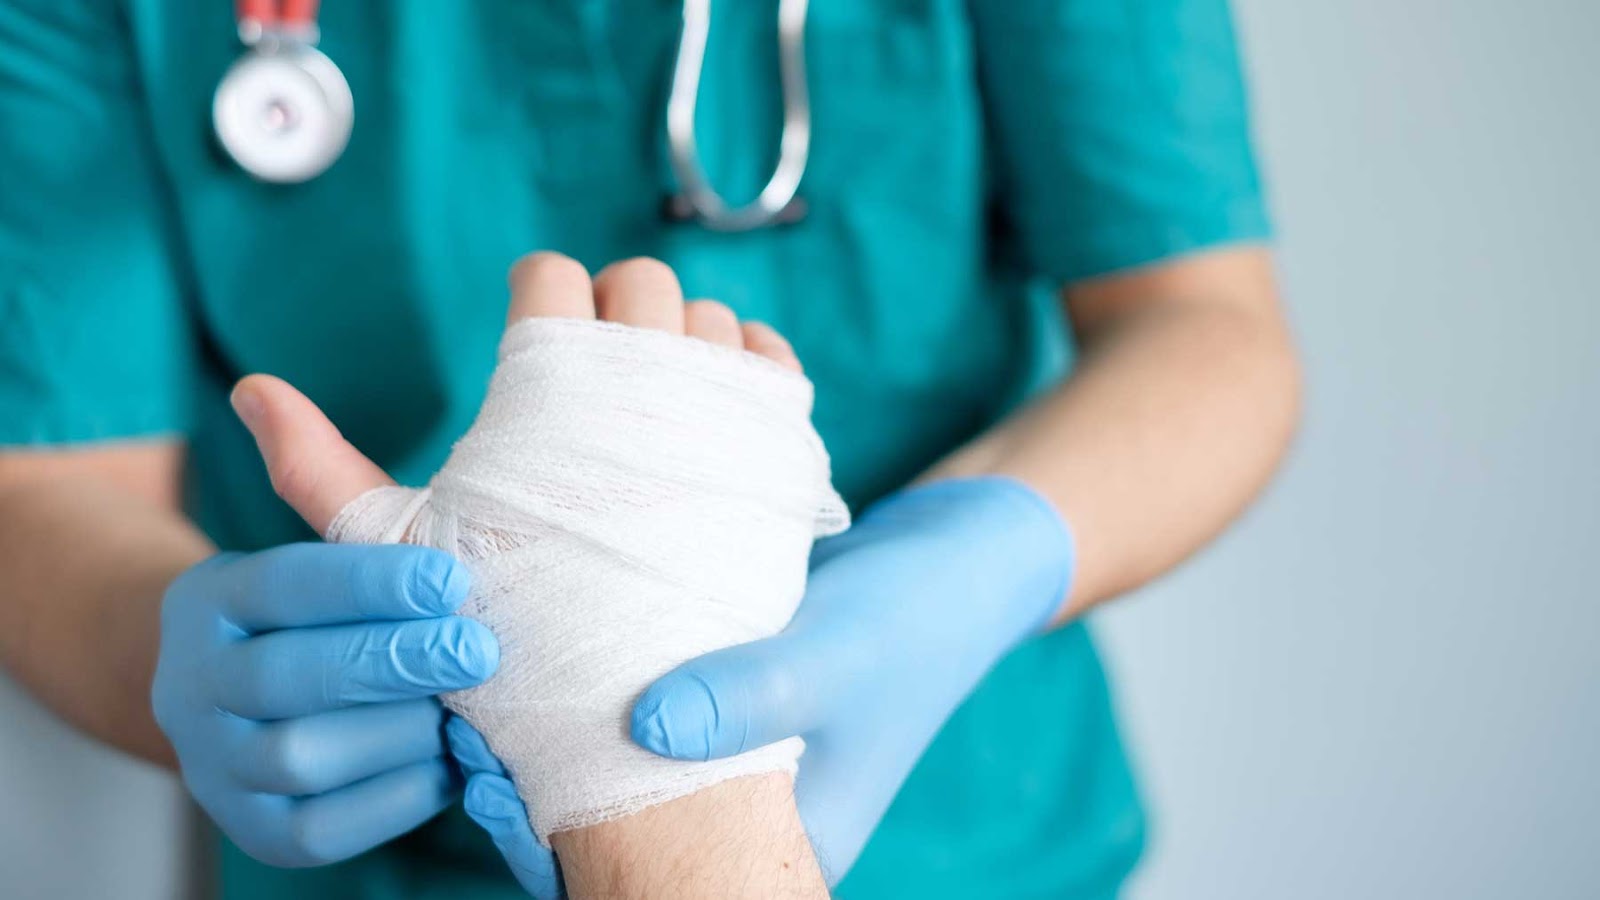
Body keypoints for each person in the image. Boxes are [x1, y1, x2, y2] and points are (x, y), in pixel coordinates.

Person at [0, 2, 1300, 899]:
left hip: (963, 833)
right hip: (377, 849)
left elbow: (1203, 324)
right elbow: (46, 474)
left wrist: (970, 567)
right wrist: (177, 653)